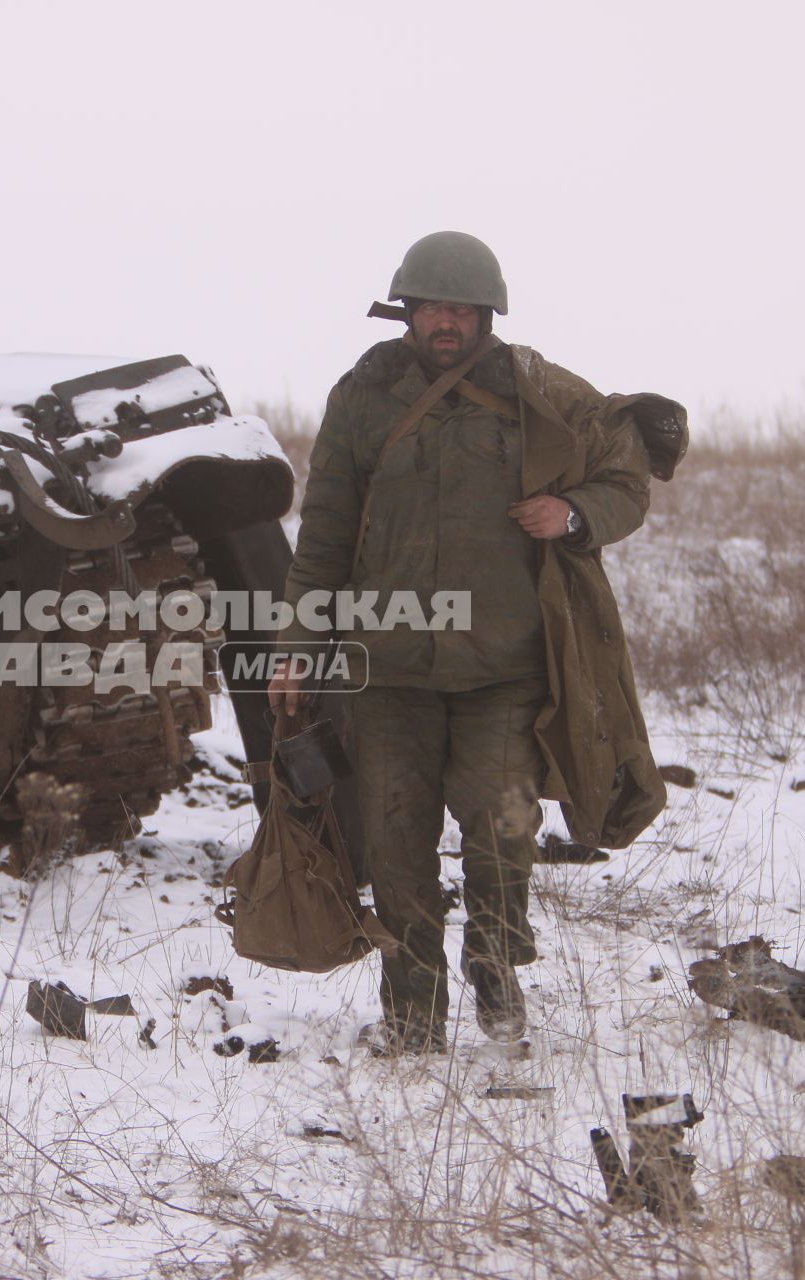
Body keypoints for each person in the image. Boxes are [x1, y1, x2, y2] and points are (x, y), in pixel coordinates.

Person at [267, 230, 669, 1053]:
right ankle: (412, 1014)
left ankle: (495, 966)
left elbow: (629, 470)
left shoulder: (538, 388)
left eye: (461, 309)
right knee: (396, 841)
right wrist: (296, 643)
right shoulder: (364, 396)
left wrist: (575, 513)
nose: (446, 322)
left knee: (501, 832)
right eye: (432, 308)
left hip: (504, 668)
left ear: (487, 315)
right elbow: (326, 536)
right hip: (389, 669)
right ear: (407, 310)